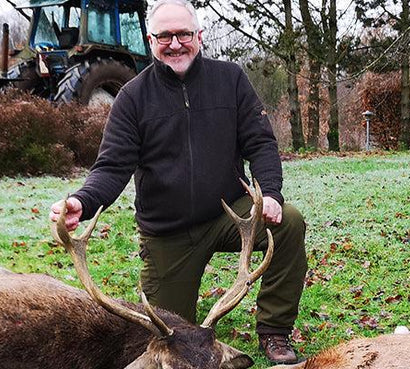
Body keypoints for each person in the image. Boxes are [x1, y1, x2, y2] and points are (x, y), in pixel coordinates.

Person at [48, 0, 306, 364]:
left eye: (183, 34)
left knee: (289, 223)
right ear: (151, 41)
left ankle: (275, 331)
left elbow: (260, 142)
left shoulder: (230, 79)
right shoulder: (132, 97)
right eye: (164, 36)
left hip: (230, 213)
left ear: (198, 36)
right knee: (162, 337)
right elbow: (112, 166)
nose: (175, 43)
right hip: (168, 234)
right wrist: (82, 202)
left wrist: (272, 193)